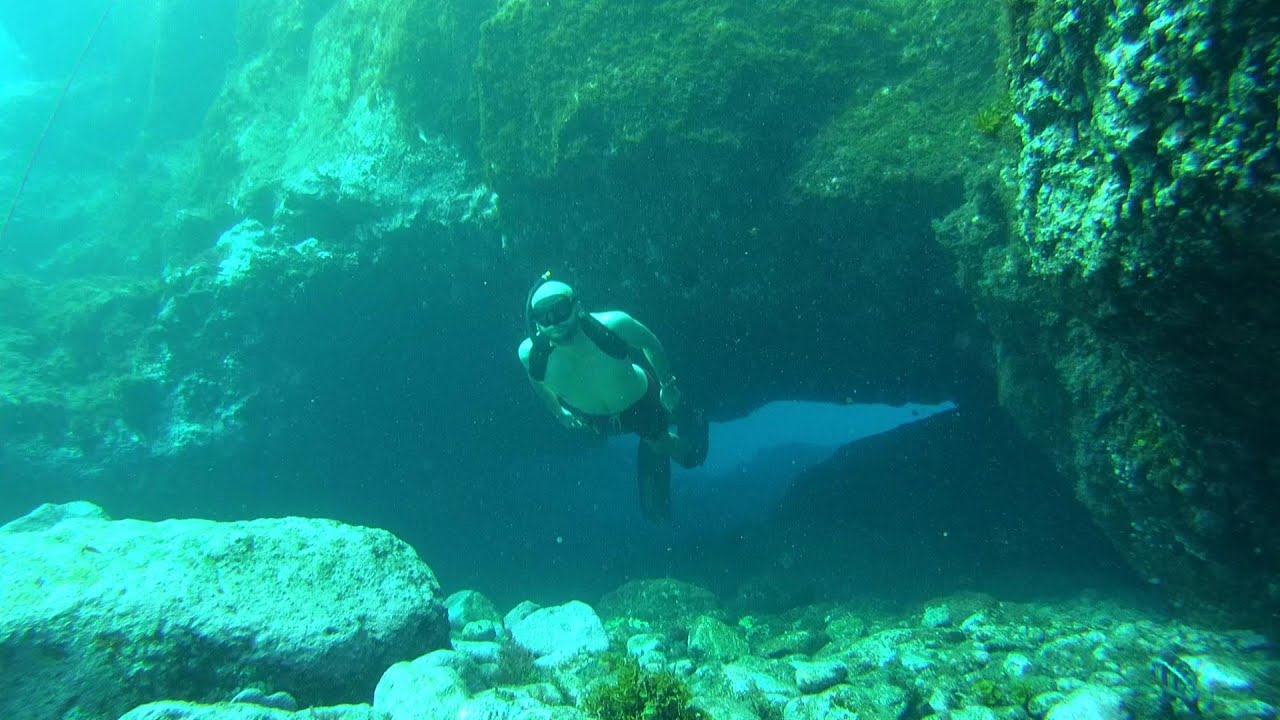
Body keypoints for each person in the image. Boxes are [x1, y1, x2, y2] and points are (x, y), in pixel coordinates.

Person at [517, 274, 709, 521]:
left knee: (683, 455)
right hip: (595, 420)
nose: (554, 323)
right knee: (656, 445)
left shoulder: (613, 324)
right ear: (534, 322)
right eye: (543, 317)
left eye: (560, 311)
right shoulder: (530, 353)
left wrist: (668, 384)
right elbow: (536, 378)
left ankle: (689, 419)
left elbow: (648, 342)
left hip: (642, 403)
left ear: (577, 306)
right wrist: (558, 412)